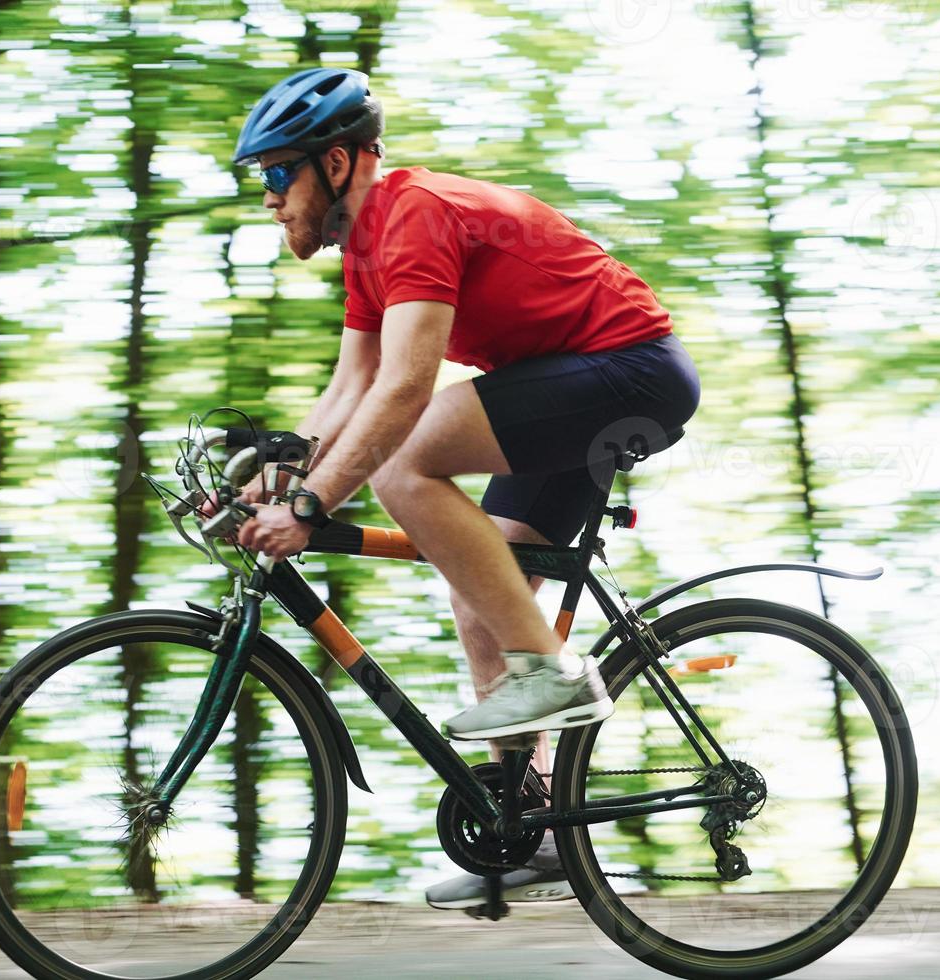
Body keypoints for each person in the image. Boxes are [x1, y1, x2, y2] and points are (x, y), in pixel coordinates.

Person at [228, 67, 700, 910]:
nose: (266, 198)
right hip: (569, 386)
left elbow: (403, 393)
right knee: (484, 584)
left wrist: (311, 507)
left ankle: (553, 672)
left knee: (405, 459)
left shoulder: (411, 216)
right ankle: (538, 823)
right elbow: (346, 396)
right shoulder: (367, 256)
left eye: (274, 174)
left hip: (627, 374)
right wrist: (275, 476)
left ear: (336, 165)